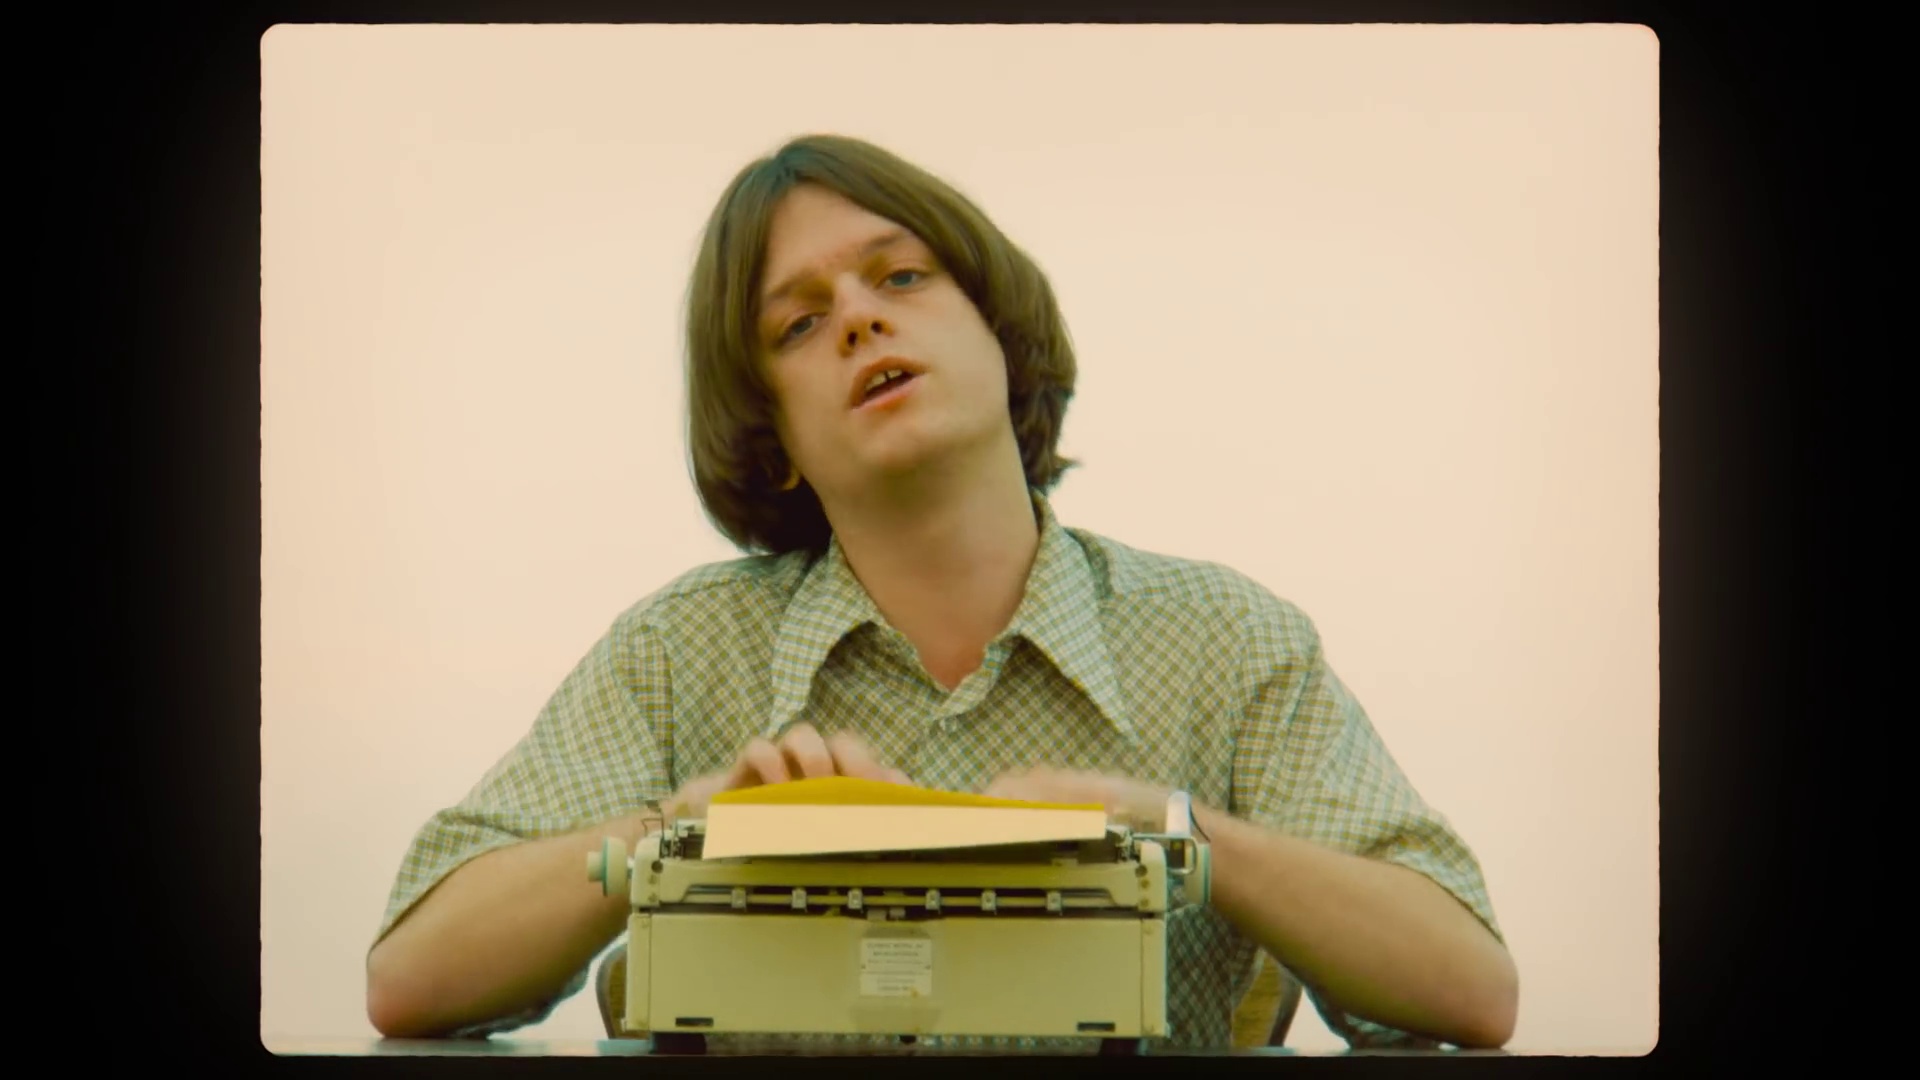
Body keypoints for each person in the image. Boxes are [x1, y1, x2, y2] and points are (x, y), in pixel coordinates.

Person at [363, 133, 1518, 1053]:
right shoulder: (677, 651)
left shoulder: (1228, 640)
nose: (860, 318)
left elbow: (1471, 990)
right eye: (798, 323)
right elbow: (410, 981)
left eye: (902, 275)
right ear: (774, 443)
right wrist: (686, 828)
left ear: (1002, 339)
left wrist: (1171, 828)